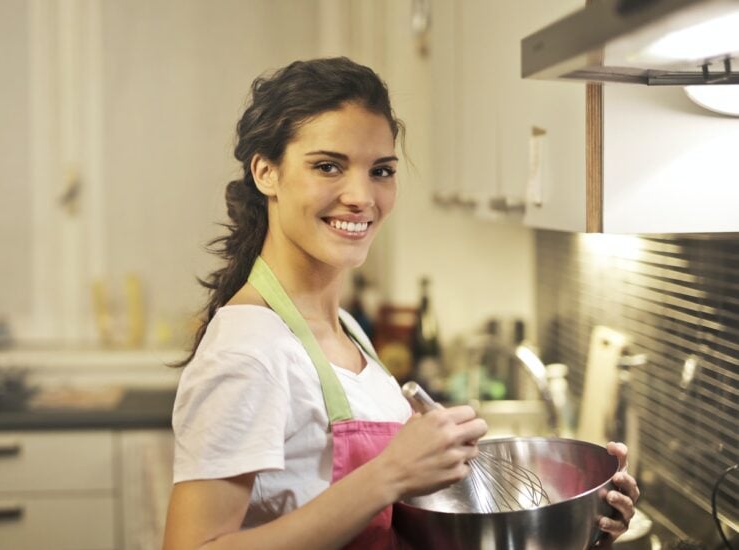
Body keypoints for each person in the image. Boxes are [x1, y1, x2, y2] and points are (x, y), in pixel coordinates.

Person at [163, 57, 639, 550]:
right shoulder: (249, 350)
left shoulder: (345, 329)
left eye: (381, 170)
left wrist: (578, 521)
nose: (361, 196)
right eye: (328, 166)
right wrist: (388, 474)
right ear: (266, 172)